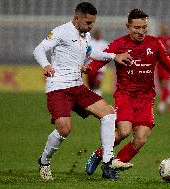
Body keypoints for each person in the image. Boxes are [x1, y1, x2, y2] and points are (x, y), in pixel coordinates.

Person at [83, 9, 170, 177]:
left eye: (144, 27)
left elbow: (169, 65)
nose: (141, 31)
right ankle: (99, 154)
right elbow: (101, 60)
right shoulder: (119, 44)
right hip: (125, 95)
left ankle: (111, 166)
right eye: (137, 28)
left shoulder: (154, 43)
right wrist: (88, 69)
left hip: (146, 97)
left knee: (141, 138)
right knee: (124, 131)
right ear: (128, 26)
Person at [33, 2, 133, 181]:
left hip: (77, 86)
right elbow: (39, 49)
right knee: (64, 129)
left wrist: (114, 57)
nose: (90, 26)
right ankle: (44, 161)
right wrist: (46, 65)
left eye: (92, 23)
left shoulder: (85, 35)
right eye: (88, 22)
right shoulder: (61, 31)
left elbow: (91, 52)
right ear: (77, 17)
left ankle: (107, 161)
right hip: (59, 87)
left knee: (109, 114)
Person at [156, 23, 170, 113]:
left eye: (166, 28)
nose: (165, 30)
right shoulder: (157, 39)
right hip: (159, 65)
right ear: (161, 29)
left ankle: (161, 106)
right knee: (161, 86)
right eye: (163, 28)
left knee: (165, 84)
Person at [86, 29, 108, 96]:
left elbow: (108, 55)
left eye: (98, 34)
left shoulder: (104, 43)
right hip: (91, 67)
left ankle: (98, 98)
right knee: (91, 85)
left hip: (101, 68)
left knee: (97, 84)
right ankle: (92, 100)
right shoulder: (90, 43)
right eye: (96, 34)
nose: (97, 35)